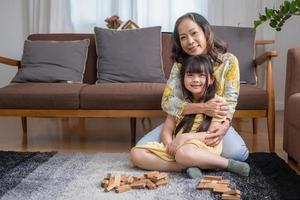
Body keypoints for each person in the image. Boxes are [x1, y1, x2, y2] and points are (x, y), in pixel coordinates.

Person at [134, 12, 248, 161]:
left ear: (205, 32)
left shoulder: (228, 62)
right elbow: (167, 102)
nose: (190, 41)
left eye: (194, 33)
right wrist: (203, 107)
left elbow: (230, 101)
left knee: (238, 154)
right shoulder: (179, 66)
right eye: (183, 37)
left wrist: (224, 126)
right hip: (182, 123)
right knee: (139, 149)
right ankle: (187, 161)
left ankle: (190, 157)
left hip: (212, 123)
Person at [131, 55, 250, 177]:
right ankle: (183, 167)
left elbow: (211, 135)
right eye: (190, 75)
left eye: (201, 75)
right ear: (183, 79)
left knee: (184, 153)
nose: (195, 80)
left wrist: (184, 138)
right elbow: (167, 129)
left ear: (211, 79)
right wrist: (169, 145)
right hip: (178, 147)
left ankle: (227, 164)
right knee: (136, 154)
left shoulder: (218, 103)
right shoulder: (180, 103)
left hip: (202, 147)